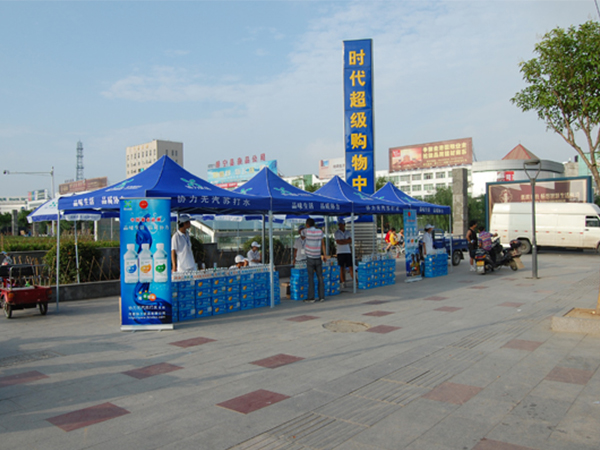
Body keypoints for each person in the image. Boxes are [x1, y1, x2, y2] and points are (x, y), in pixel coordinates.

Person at [304, 217, 326, 303]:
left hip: (310, 257)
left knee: (311, 278)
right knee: (320, 277)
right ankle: (321, 297)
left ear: (307, 225)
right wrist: (324, 255)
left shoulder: (306, 231)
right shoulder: (320, 232)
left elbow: (300, 232)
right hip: (318, 257)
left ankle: (311, 298)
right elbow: (323, 244)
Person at [334, 220, 353, 287]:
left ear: (344, 225)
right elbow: (338, 242)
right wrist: (346, 241)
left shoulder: (348, 232)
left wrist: (343, 241)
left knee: (350, 267)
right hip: (340, 252)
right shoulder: (337, 233)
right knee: (341, 267)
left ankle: (355, 281)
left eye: (342, 224)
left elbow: (350, 240)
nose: (341, 226)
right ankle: (343, 282)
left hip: (347, 251)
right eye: (340, 224)